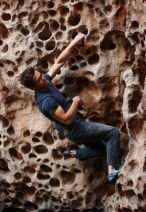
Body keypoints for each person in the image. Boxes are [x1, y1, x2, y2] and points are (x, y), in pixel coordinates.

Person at [20, 33, 121, 183]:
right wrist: (76, 101)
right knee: (113, 133)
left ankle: (73, 153)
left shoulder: (45, 82)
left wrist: (74, 42)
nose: (43, 77)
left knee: (103, 148)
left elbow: (60, 61)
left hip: (74, 127)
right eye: (39, 78)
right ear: (33, 87)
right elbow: (67, 119)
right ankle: (112, 172)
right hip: (75, 128)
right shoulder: (46, 101)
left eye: (40, 74)